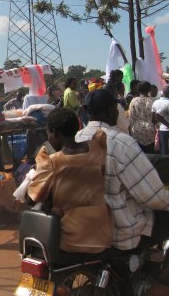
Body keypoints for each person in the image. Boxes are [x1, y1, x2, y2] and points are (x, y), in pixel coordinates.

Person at [76, 89, 169, 296]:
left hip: (85, 224)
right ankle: (161, 287)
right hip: (121, 228)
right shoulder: (121, 143)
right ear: (111, 111)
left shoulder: (76, 138)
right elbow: (153, 198)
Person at [28, 108, 112, 253]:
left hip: (71, 238)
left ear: (55, 132)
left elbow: (34, 197)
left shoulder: (53, 161)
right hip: (101, 232)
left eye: (48, 133)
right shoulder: (96, 147)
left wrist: (33, 178)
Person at [129, 81, 156, 153]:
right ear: (149, 89)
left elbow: (131, 117)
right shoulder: (152, 101)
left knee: (139, 154)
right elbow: (154, 118)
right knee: (150, 154)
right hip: (150, 130)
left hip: (136, 130)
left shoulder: (133, 101)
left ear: (138, 89)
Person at [152, 85, 169, 155]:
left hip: (161, 130)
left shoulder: (155, 102)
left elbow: (153, 118)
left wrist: (157, 125)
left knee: (163, 150)